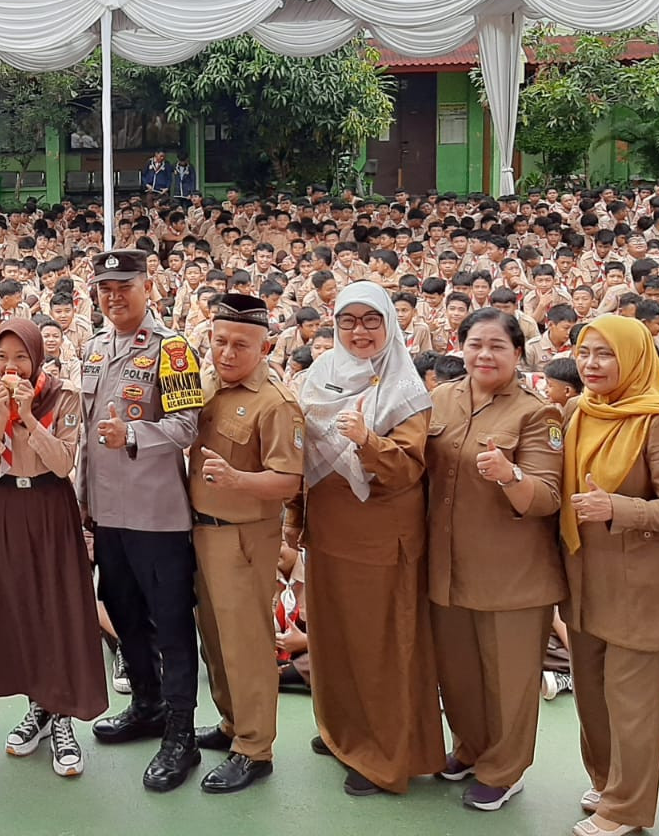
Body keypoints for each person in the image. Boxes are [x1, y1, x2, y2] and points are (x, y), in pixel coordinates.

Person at [295, 281, 444, 797]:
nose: (359, 331)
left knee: (382, 646)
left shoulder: (404, 387)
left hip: (381, 535)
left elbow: (407, 469)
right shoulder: (321, 372)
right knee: (334, 638)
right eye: (348, 321)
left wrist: (365, 440)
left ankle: (385, 755)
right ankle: (344, 732)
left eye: (371, 320)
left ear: (389, 324)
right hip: (329, 529)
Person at [562, 314, 659, 836]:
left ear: (635, 357)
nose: (592, 364)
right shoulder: (581, 410)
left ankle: (626, 809)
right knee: (591, 693)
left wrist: (617, 508)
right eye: (584, 352)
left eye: (605, 353)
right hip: (582, 575)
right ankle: (606, 782)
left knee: (633, 701)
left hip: (637, 581)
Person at [424, 308, 565, 813]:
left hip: (512, 575)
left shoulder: (538, 414)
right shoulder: (441, 398)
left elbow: (547, 497)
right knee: (458, 674)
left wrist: (510, 475)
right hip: (448, 566)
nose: (484, 355)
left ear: (518, 353)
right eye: (475, 344)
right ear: (460, 347)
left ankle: (505, 770)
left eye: (497, 346)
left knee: (509, 681)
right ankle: (469, 749)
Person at [77, 249, 204, 792]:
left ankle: (182, 733)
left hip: (157, 516)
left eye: (124, 286)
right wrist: (83, 501)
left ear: (147, 288)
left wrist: (131, 434)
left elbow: (187, 426)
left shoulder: (171, 350)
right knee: (125, 615)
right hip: (108, 515)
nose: (114, 297)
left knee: (171, 626)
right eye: (105, 288)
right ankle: (148, 705)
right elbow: (86, 436)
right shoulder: (94, 348)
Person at [0, 317, 102, 778]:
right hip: (9, 506)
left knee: (58, 608)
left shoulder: (64, 397)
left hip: (51, 506)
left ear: (37, 358)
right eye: (2, 357)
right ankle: (38, 709)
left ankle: (63, 717)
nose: (12, 367)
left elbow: (63, 464)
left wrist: (26, 417)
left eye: (21, 357)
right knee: (19, 606)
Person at [187, 294, 305, 795]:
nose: (227, 353)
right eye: (219, 342)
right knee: (214, 639)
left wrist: (238, 480)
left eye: (240, 344)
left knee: (247, 644)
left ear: (266, 348)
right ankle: (232, 722)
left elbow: (289, 481)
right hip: (200, 529)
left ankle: (255, 749)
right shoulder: (208, 385)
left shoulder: (276, 404)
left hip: (243, 537)